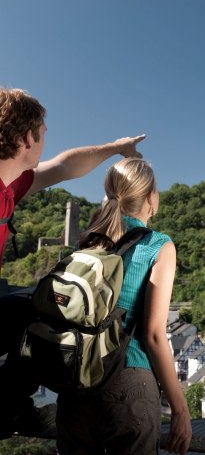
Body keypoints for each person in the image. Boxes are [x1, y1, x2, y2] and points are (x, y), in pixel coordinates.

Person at [0, 87, 145, 438]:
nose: (47, 140)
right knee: (49, 310)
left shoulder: (10, 185)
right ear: (27, 138)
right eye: (43, 133)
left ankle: (9, 408)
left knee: (39, 304)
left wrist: (117, 147)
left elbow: (65, 166)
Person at [56, 158, 192, 455]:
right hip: (127, 381)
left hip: (75, 385)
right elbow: (154, 336)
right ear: (150, 197)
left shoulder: (87, 243)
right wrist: (180, 410)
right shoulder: (158, 246)